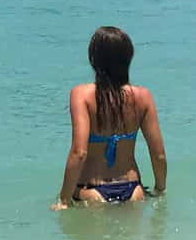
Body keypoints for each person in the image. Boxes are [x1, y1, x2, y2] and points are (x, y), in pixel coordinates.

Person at [52, 25, 167, 209]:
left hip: (91, 191)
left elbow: (79, 152)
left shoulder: (81, 95)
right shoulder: (143, 96)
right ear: (128, 58)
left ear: (94, 60)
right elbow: (158, 154)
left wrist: (63, 200)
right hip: (133, 191)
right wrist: (159, 189)